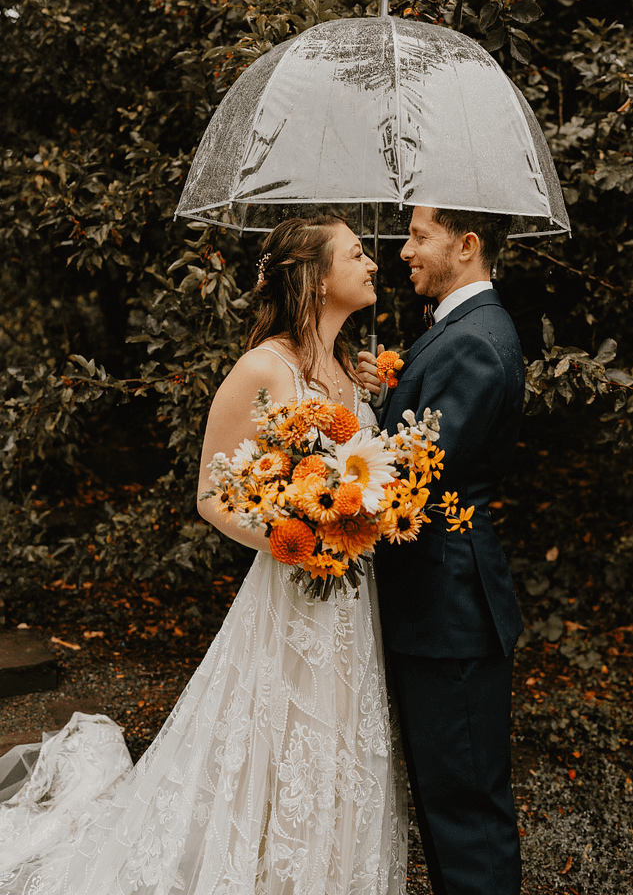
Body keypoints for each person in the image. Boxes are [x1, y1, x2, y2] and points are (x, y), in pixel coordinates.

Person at [0, 215, 407, 895]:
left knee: (337, 742)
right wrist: (292, 540)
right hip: (291, 588)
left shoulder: (347, 374)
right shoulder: (262, 367)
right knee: (272, 742)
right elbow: (213, 495)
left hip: (348, 602)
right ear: (314, 278)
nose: (372, 264)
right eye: (357, 254)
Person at [358, 205, 524, 895]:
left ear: (466, 244)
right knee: (445, 798)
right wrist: (386, 393)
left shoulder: (475, 341)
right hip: (434, 604)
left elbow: (418, 477)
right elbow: (428, 434)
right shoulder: (455, 331)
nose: (402, 252)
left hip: (448, 608)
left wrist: (338, 464)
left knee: (463, 811)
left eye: (418, 236)